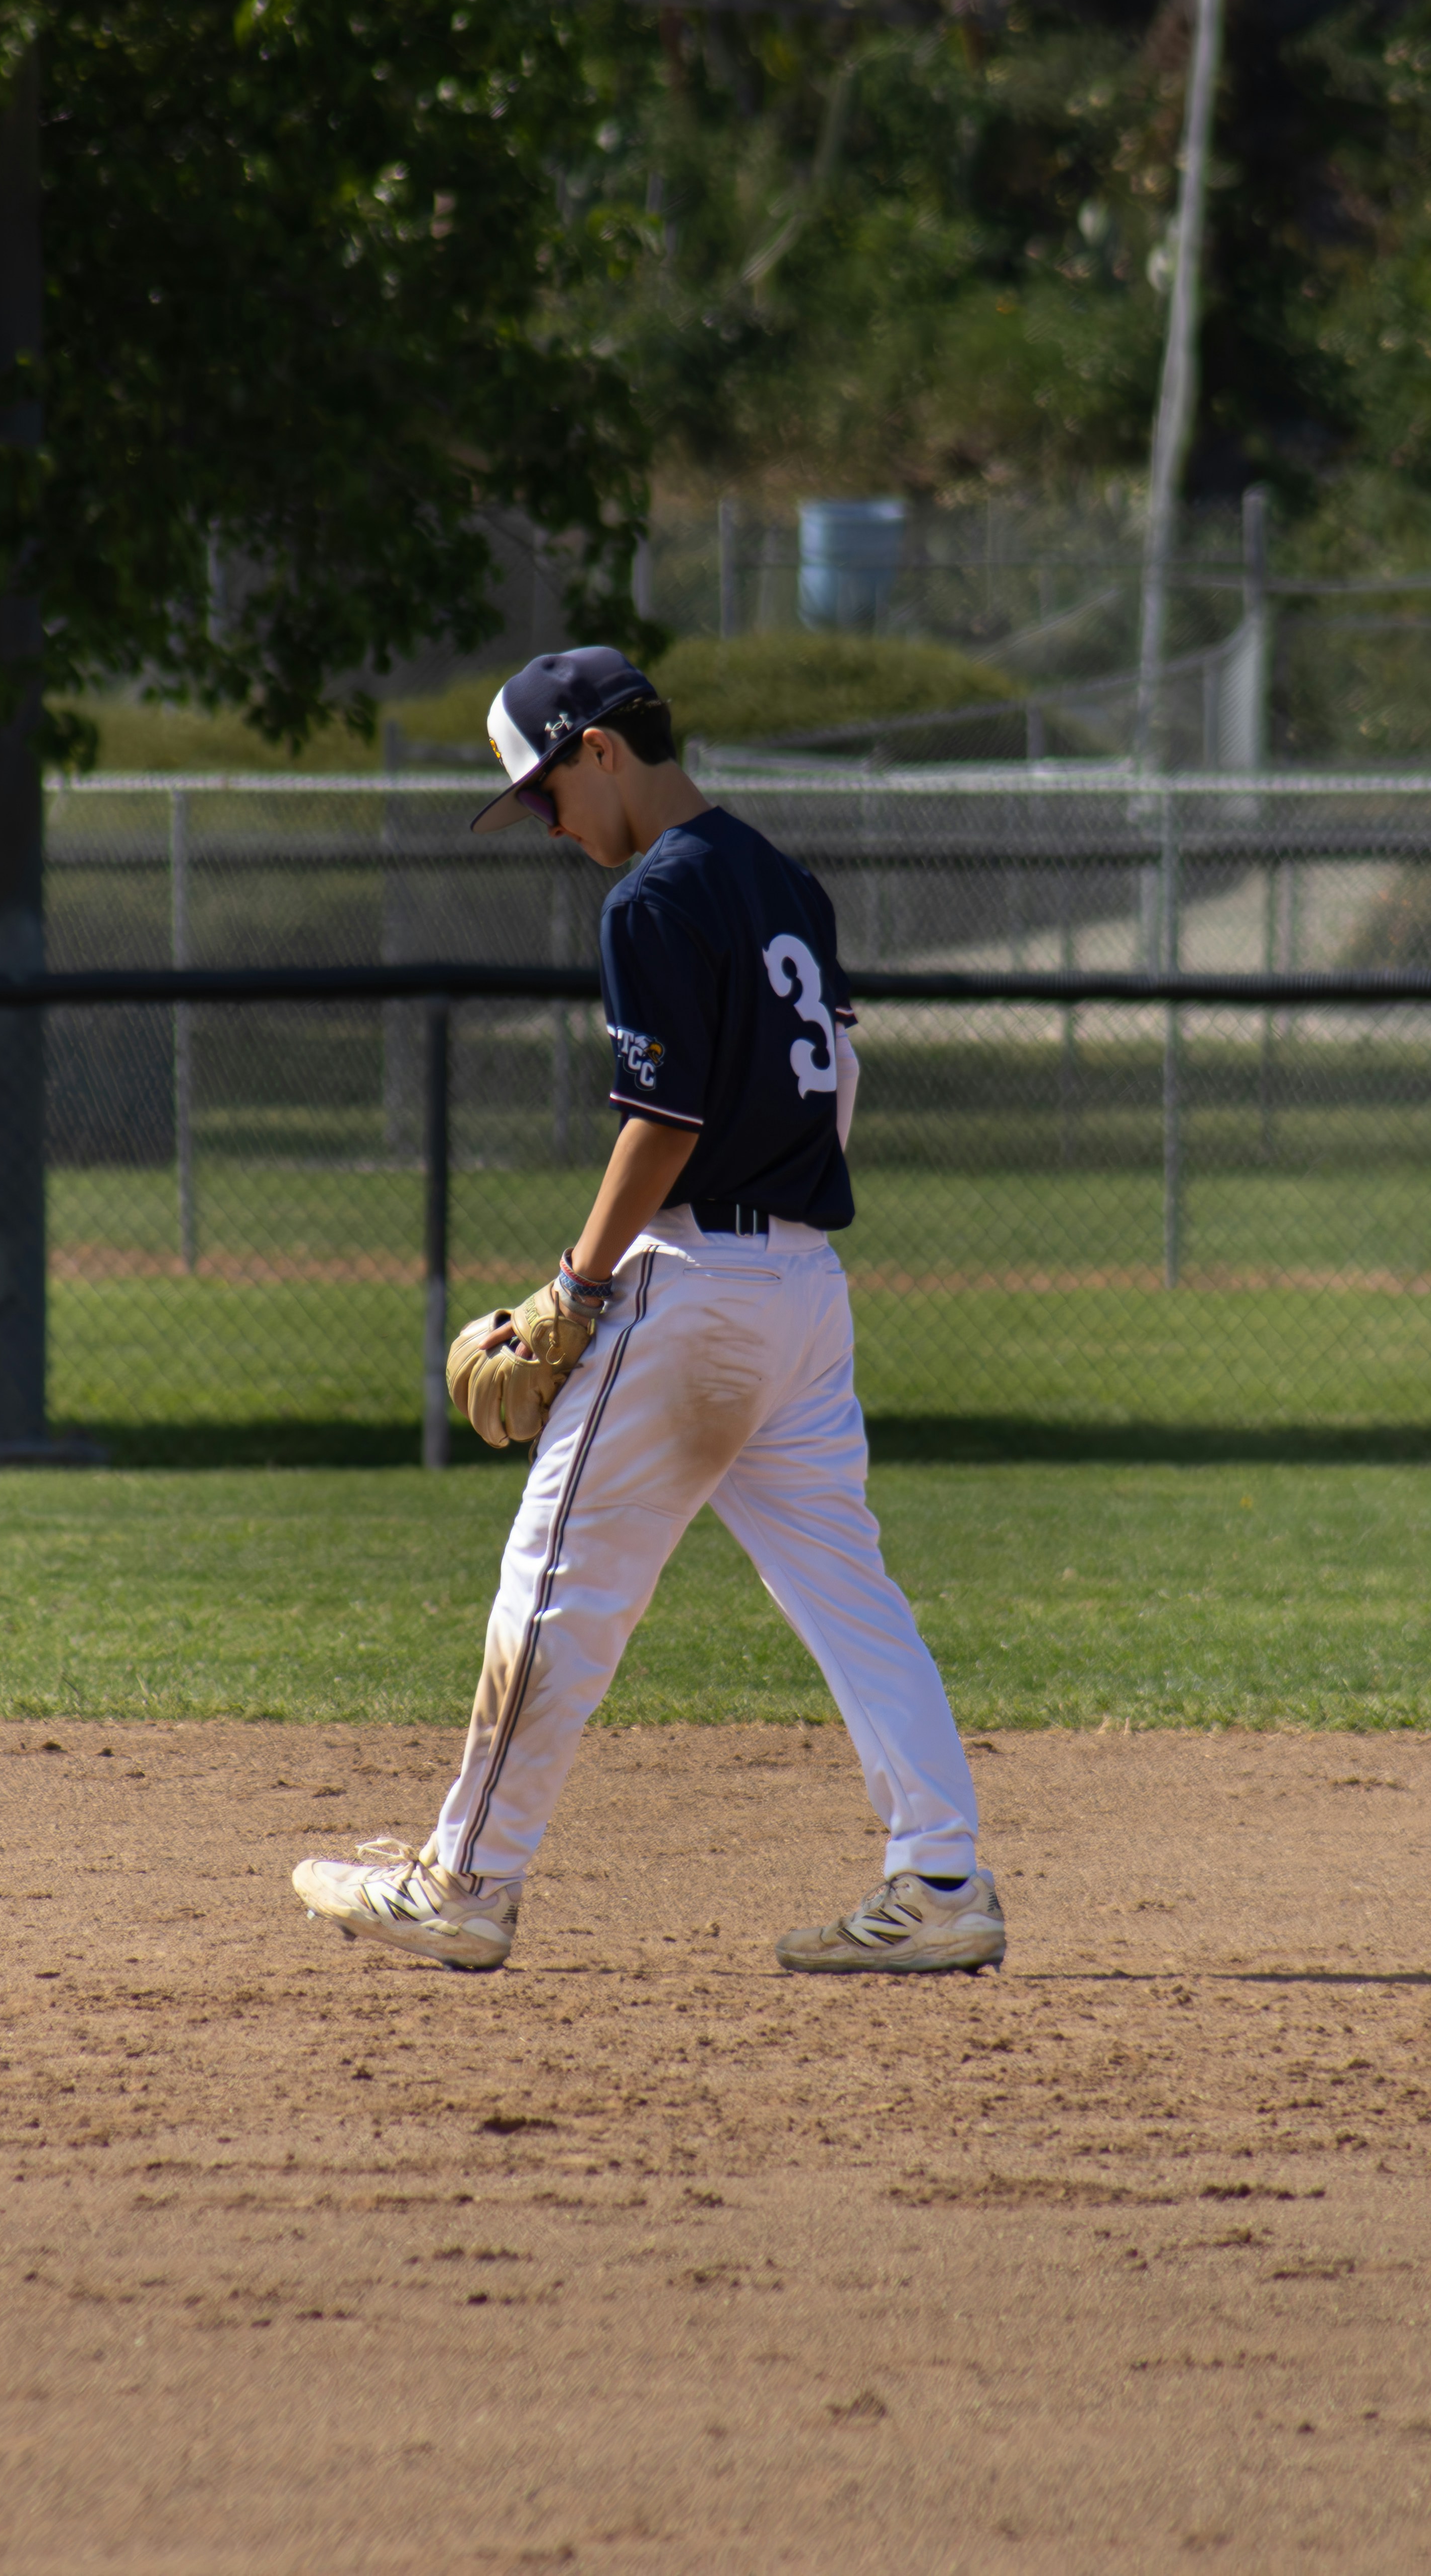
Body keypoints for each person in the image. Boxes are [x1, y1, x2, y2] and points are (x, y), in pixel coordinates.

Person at [292, 646, 1002, 1979]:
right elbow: (837, 1079)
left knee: (554, 1584)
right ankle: (942, 1878)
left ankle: (465, 1883)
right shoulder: (782, 881)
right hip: (803, 1289)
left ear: (599, 749)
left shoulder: (655, 897)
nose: (551, 827)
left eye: (548, 793)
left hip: (695, 1292)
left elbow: (662, 1126)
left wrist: (576, 1285)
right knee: (853, 1597)